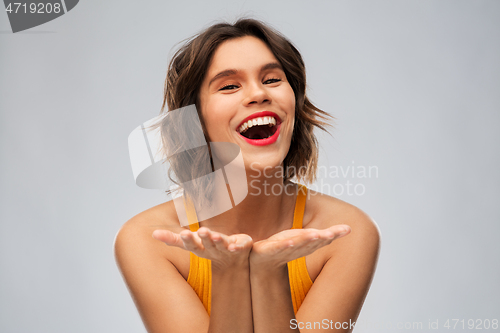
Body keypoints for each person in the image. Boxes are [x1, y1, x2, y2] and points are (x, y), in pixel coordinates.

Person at [114, 18, 380, 333]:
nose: (258, 94)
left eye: (272, 79)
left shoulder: (345, 233)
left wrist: (269, 273)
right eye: (229, 85)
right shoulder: (148, 240)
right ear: (193, 121)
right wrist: (230, 270)